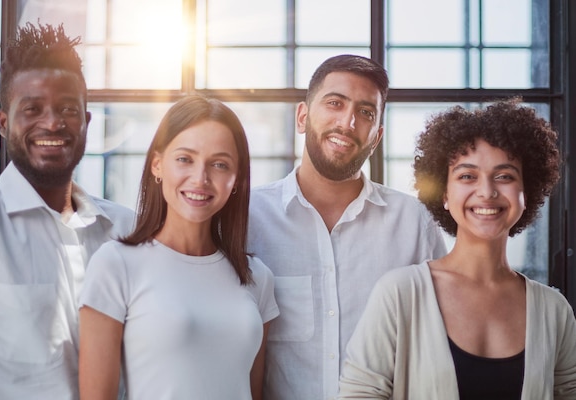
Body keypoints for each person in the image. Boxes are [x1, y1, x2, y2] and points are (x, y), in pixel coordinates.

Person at [338, 99, 576, 399]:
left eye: (504, 176)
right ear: (445, 193)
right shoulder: (400, 294)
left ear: (525, 192)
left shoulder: (554, 311)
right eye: (467, 176)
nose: (487, 191)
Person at [0, 22, 134, 400]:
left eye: (67, 109)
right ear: (4, 124)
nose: (52, 122)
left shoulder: (124, 228)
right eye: (32, 109)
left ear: (86, 121)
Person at [247, 54, 447, 400]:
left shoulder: (415, 223)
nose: (348, 122)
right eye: (334, 103)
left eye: (366, 113)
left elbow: (437, 343)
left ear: (377, 136)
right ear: (302, 116)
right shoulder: (247, 217)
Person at [78, 95, 279, 400]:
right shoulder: (116, 264)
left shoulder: (257, 277)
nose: (201, 178)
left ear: (237, 179)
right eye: (185, 159)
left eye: (220, 164)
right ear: (157, 165)